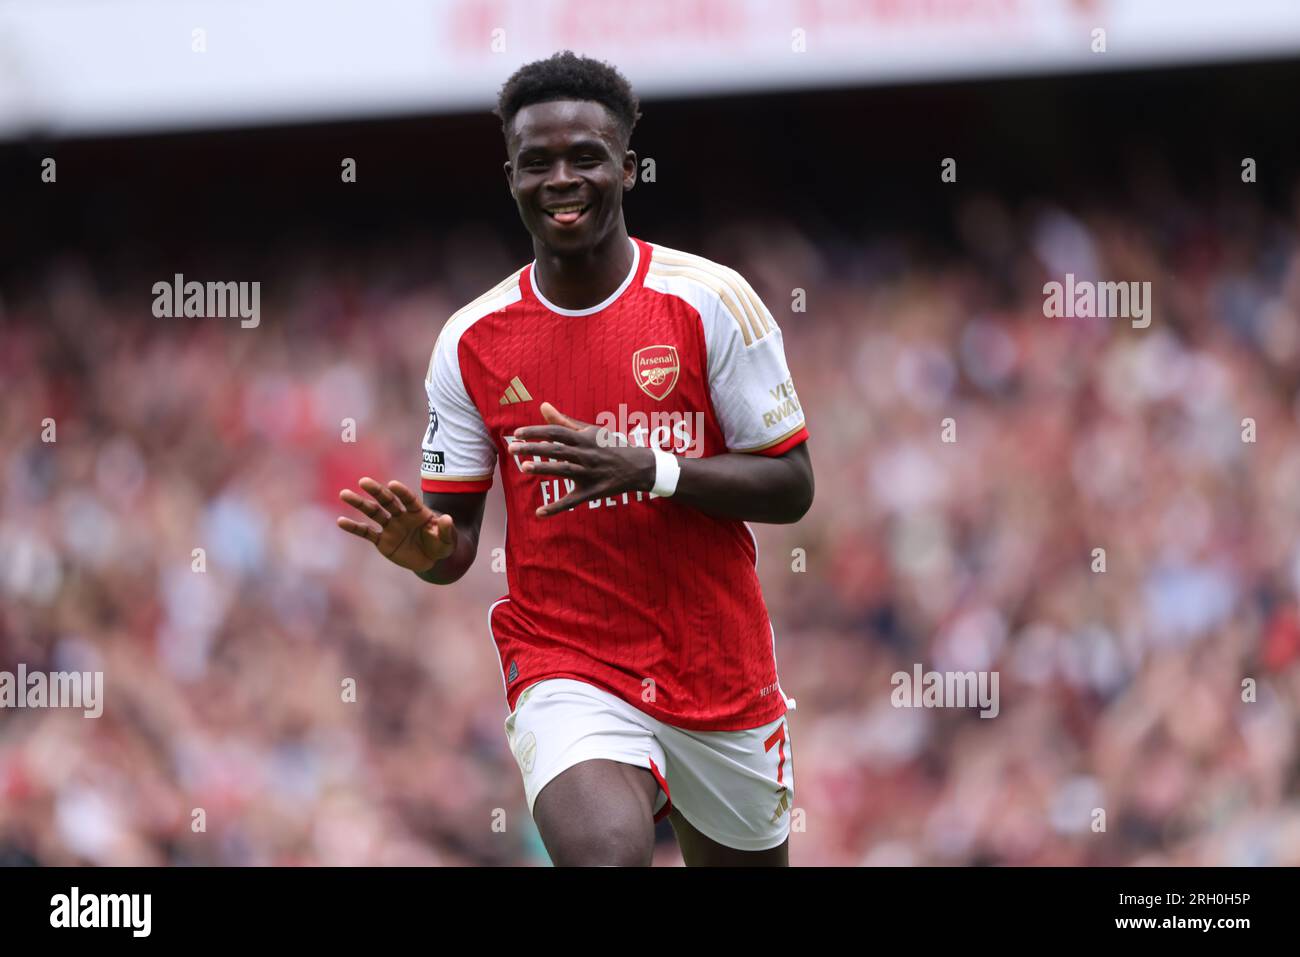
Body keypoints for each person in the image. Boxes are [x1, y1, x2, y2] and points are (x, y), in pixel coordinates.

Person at [337, 50, 813, 866]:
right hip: (568, 663)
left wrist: (653, 469)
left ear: (626, 167)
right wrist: (425, 550)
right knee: (605, 855)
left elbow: (792, 485)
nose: (563, 178)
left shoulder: (711, 300)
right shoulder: (471, 340)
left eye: (585, 157)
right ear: (512, 176)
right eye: (538, 162)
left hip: (717, 665)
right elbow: (453, 542)